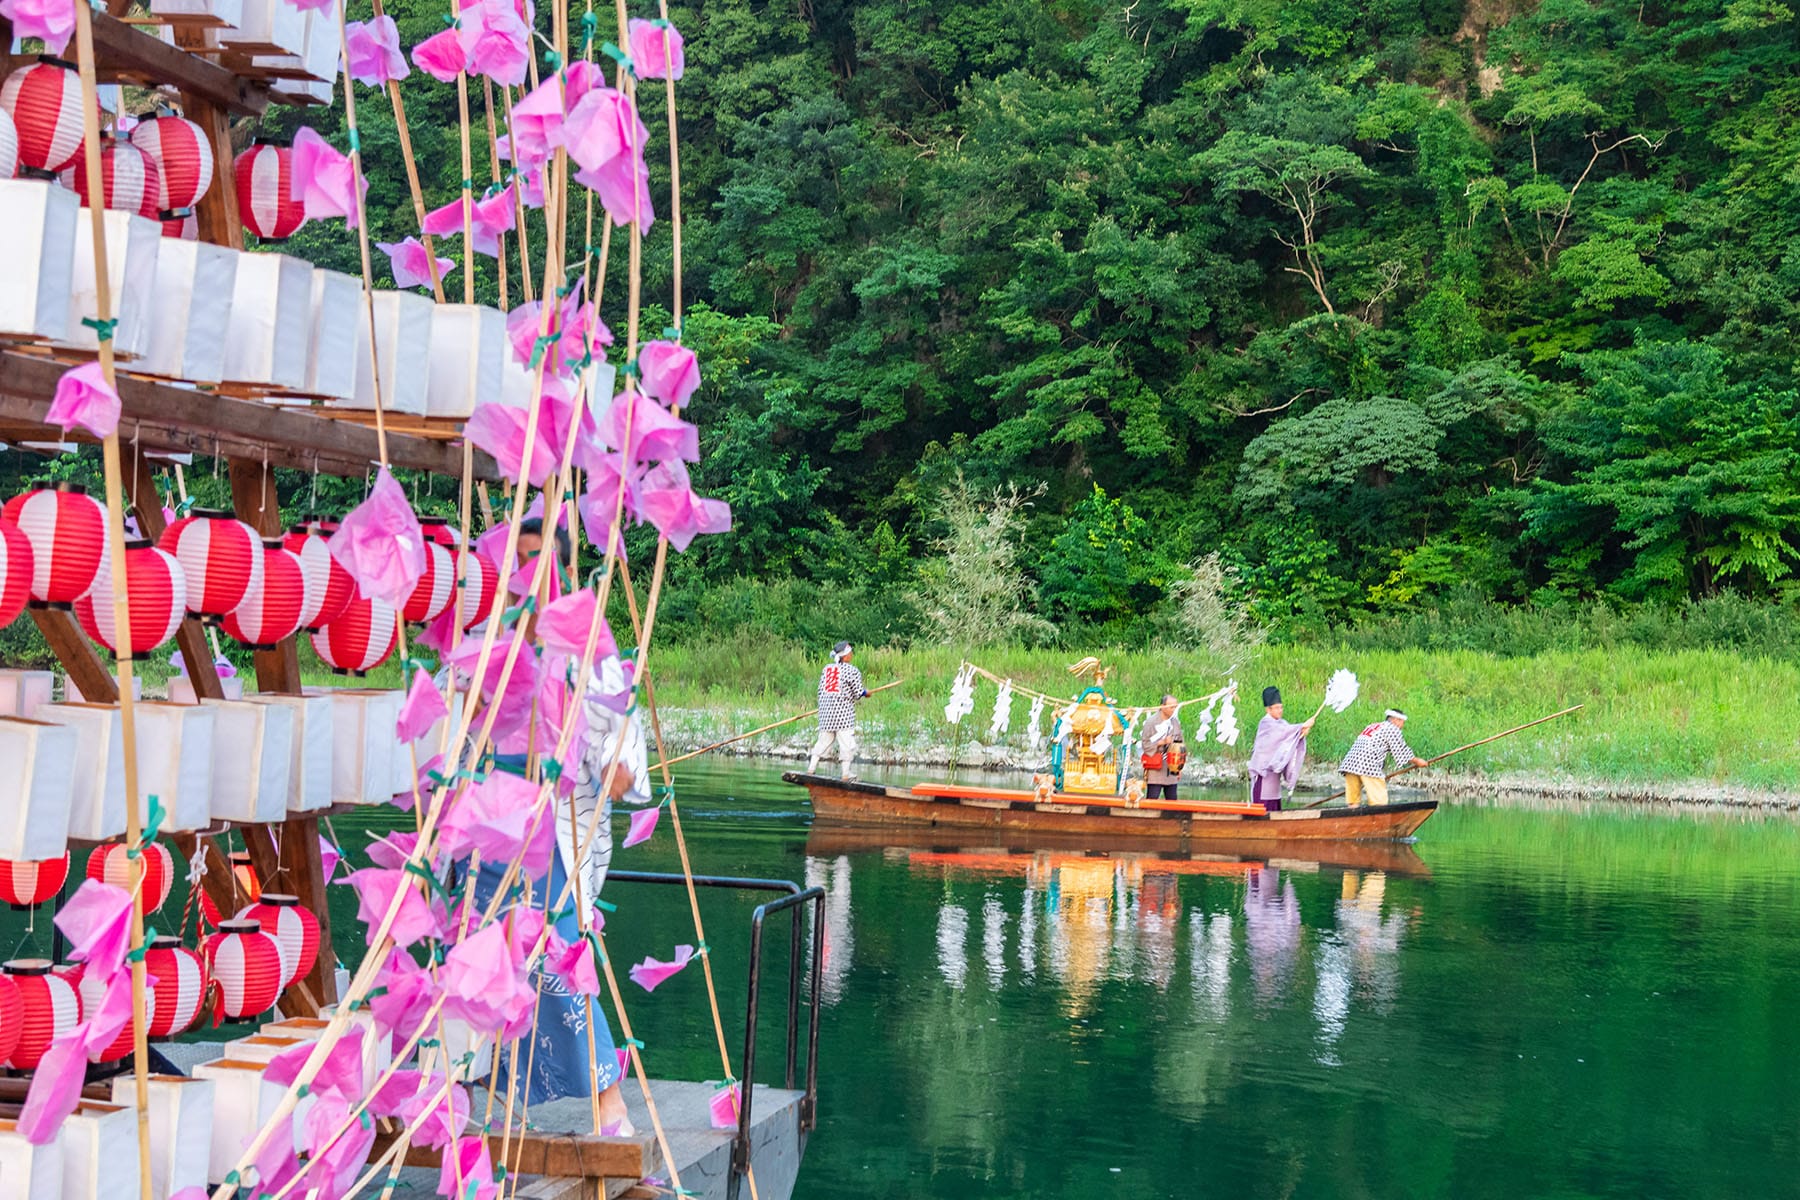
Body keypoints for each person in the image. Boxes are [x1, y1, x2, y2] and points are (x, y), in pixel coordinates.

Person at [1337, 709, 1427, 807]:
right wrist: (1417, 761)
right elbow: (1401, 750)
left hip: (1350, 764)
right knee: (1379, 801)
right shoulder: (1392, 729)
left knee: (1353, 801)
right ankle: (1378, 819)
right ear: (1395, 720)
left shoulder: (1373, 726)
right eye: (1402, 722)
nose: (1402, 726)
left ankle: (1352, 816)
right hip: (1368, 765)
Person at [1246, 686, 1313, 812]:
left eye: (1281, 707)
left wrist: (1301, 733)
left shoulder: (1282, 723)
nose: (1280, 710)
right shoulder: (1265, 724)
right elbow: (1282, 733)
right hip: (1263, 773)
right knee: (1262, 811)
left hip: (1274, 777)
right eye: (1276, 708)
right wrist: (1301, 726)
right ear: (1268, 709)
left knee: (1275, 809)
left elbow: (1289, 737)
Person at [807, 642, 868, 779]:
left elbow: (820, 691)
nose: (852, 655)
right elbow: (858, 693)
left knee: (823, 742)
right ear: (844, 656)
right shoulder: (852, 670)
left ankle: (811, 768)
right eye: (850, 653)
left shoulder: (827, 669)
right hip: (843, 715)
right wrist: (866, 693)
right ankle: (846, 773)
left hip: (826, 714)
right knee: (847, 743)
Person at [1140, 695, 1186, 801]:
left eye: (1175, 707)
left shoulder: (1175, 722)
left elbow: (1180, 744)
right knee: (1152, 798)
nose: (1173, 710)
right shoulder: (1151, 722)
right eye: (1171, 707)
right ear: (1162, 706)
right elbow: (1145, 745)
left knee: (1172, 799)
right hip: (1156, 765)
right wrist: (1162, 742)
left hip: (1172, 764)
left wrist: (1179, 766)